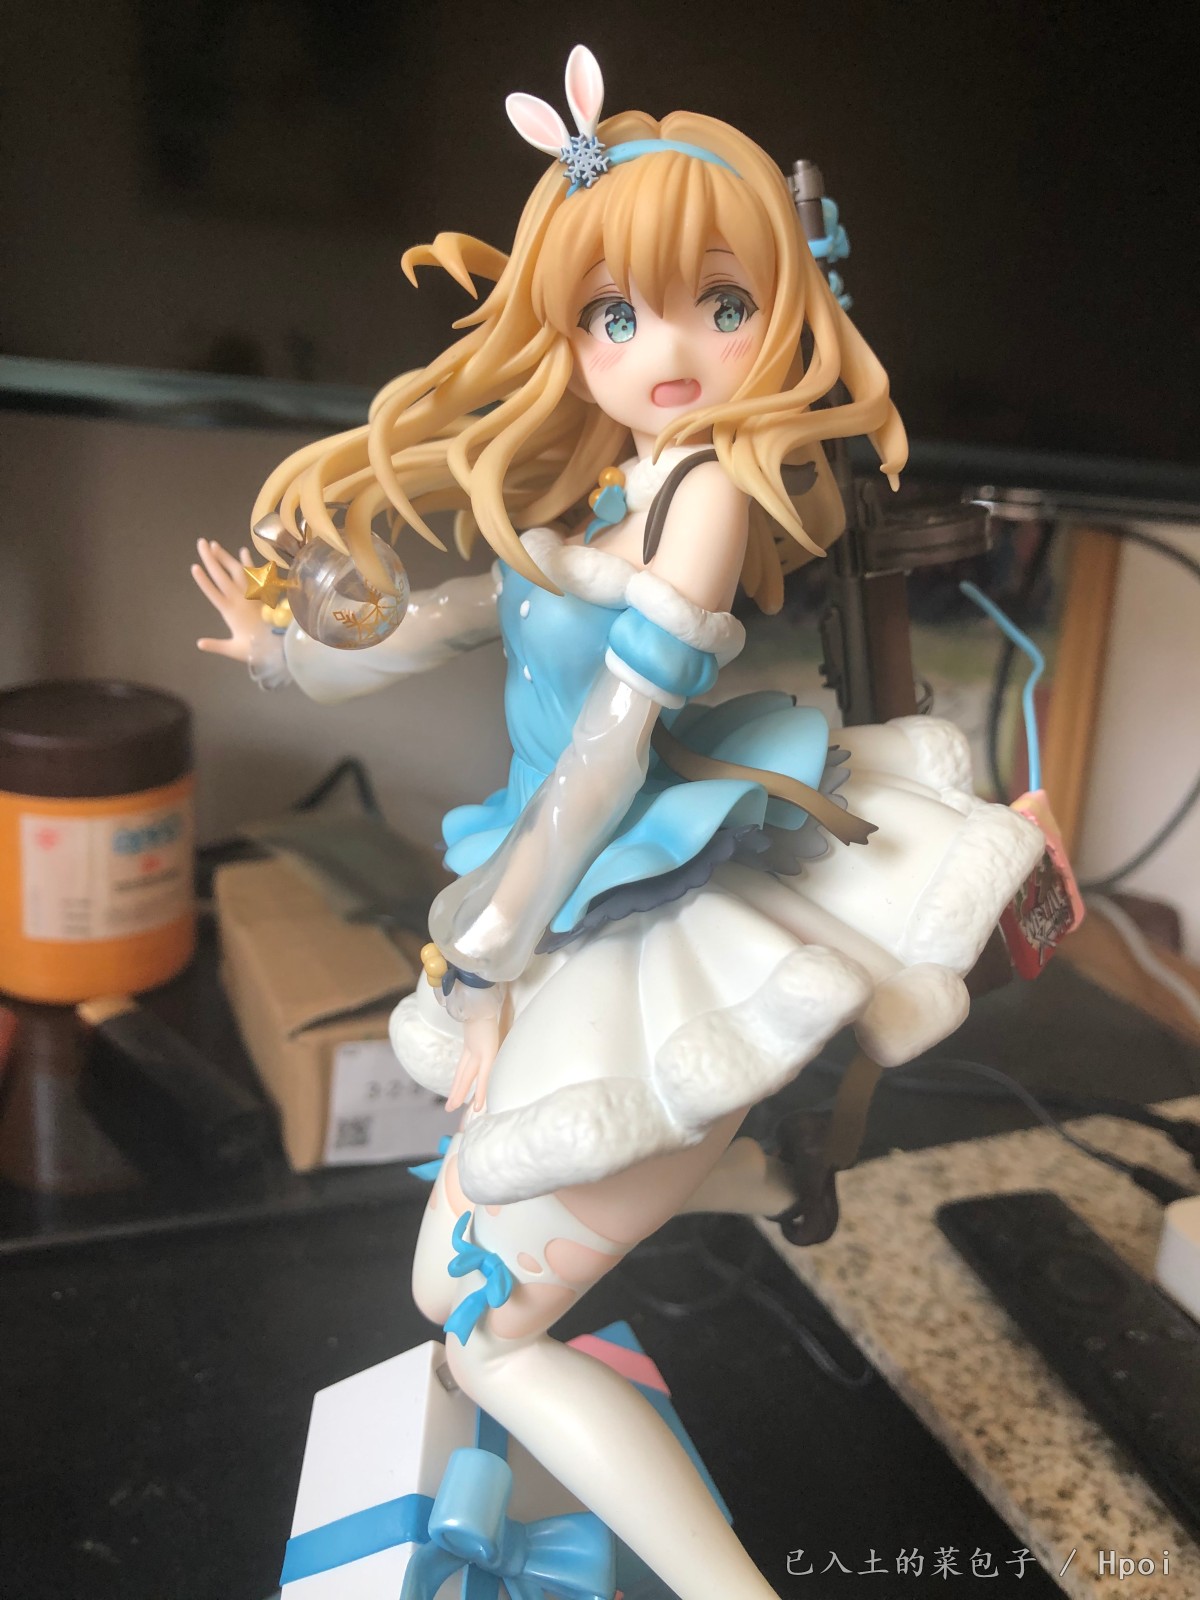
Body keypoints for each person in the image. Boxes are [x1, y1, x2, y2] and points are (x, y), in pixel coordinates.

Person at [193, 46, 1043, 1598]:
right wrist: (288, 657)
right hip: (570, 901)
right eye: (615, 315)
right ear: (569, 332)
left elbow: (605, 752)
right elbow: (450, 616)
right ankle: (764, 1177)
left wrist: (484, 953)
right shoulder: (608, 496)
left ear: (781, 313)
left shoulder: (704, 494)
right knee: (453, 1294)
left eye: (721, 305)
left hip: (628, 902)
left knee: (484, 1333)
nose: (669, 349)